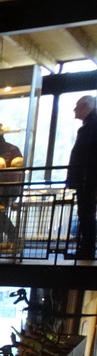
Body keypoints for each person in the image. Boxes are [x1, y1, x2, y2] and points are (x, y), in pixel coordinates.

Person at [67, 95, 97, 260]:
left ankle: (87, 250)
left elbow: (85, 156)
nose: (75, 110)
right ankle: (86, 248)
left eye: (77, 106)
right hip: (87, 179)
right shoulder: (90, 126)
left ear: (85, 107)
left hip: (87, 180)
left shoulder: (91, 127)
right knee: (86, 214)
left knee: (86, 214)